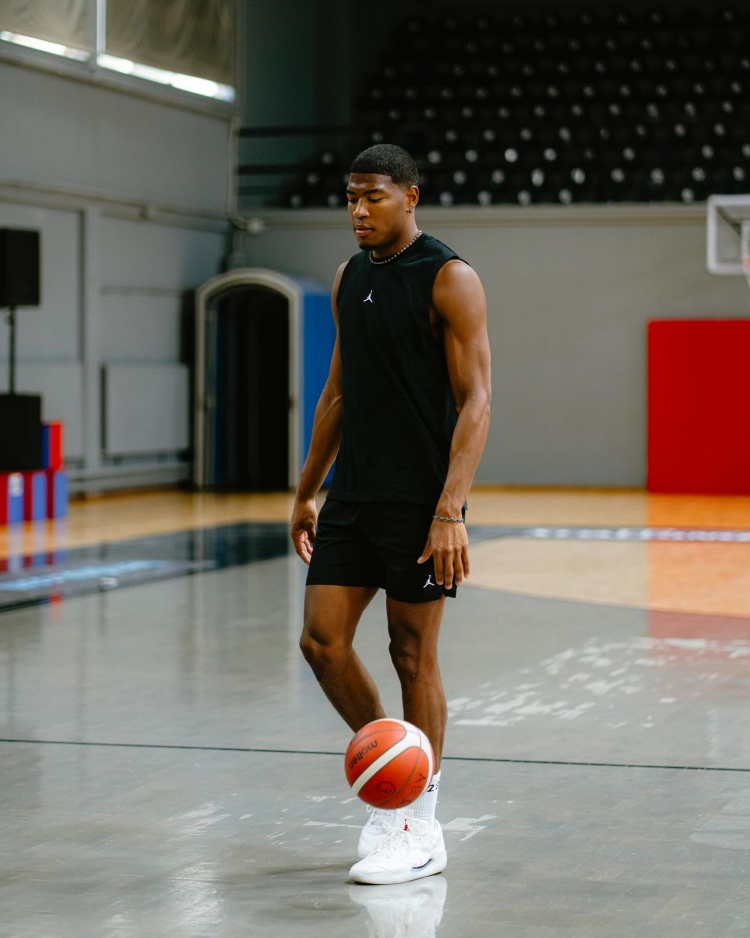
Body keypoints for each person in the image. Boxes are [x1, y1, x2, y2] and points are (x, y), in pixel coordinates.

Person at [290, 143, 491, 885]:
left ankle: (419, 823)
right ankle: (394, 776)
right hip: (354, 494)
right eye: (350, 197)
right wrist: (307, 490)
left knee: (412, 655)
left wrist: (450, 510)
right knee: (322, 643)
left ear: (410, 196)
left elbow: (477, 399)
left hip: (420, 501)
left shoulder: (449, 277)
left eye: (372, 196)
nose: (358, 210)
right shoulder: (349, 278)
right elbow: (337, 393)